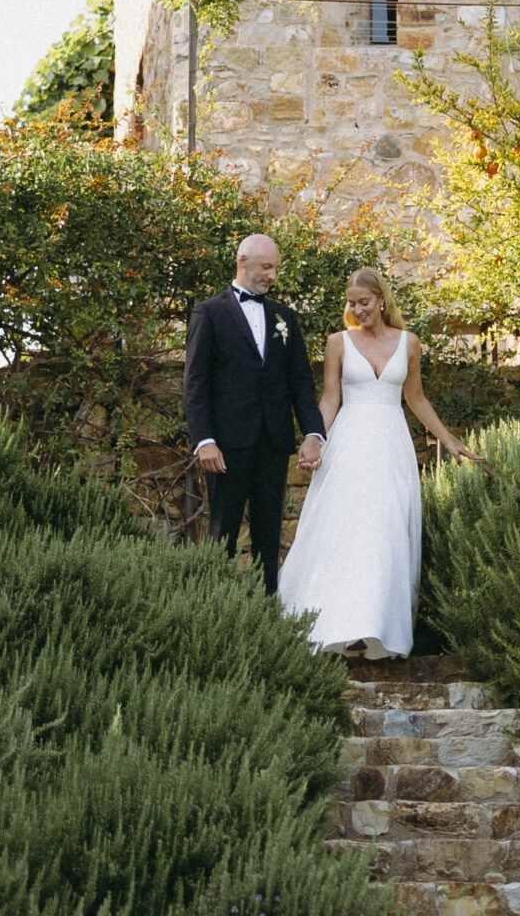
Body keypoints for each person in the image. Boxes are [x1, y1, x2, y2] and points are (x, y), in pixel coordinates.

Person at [277, 265, 471, 658]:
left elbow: (415, 399)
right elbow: (330, 399)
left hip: (391, 447)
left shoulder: (409, 343)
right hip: (348, 445)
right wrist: (313, 440)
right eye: (351, 303)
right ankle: (339, 625)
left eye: (363, 302)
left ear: (381, 300)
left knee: (386, 533)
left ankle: (376, 627)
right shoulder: (338, 342)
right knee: (345, 530)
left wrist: (448, 441)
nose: (357, 309)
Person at [184, 233, 325, 596]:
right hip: (226, 447)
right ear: (243, 261)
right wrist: (204, 441)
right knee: (222, 533)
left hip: (273, 443)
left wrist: (313, 433)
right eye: (266, 267)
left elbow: (300, 382)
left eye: (276, 268)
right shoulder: (209, 312)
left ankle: (268, 615)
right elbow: (195, 382)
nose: (272, 275)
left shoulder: (285, 318)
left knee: (269, 534)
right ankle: (219, 612)